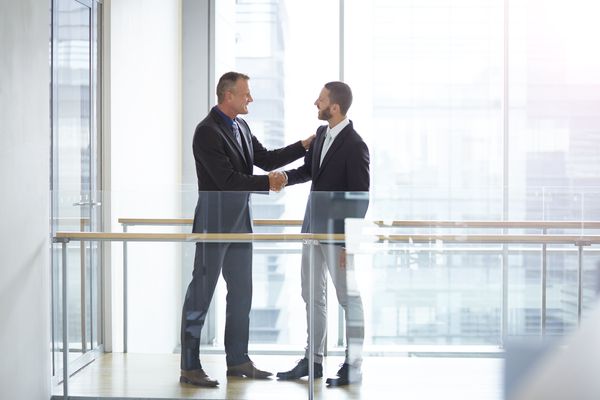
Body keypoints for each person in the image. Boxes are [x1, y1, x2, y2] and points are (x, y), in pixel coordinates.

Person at [180, 71, 315, 387]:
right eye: (245, 94)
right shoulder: (207, 132)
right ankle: (189, 366)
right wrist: (268, 184)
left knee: (242, 292)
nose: (250, 99)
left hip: (241, 222)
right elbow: (225, 180)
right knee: (201, 294)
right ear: (228, 96)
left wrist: (303, 146)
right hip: (214, 223)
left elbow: (266, 159)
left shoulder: (240, 126)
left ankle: (238, 360)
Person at [277, 81, 370, 386]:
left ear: (335, 106)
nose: (315, 102)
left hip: (338, 236)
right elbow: (309, 172)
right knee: (311, 295)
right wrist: (283, 177)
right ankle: (313, 360)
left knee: (347, 297)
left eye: (321, 99)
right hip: (312, 229)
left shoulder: (355, 145)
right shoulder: (319, 135)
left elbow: (360, 197)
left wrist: (347, 241)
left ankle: (353, 363)